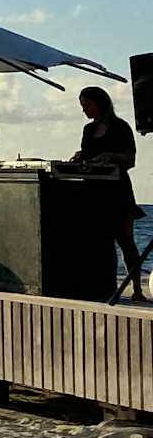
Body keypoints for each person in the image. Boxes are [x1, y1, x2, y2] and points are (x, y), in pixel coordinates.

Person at [70, 85, 144, 302]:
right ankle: (103, 286)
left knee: (126, 241)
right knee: (99, 243)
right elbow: (87, 156)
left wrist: (110, 156)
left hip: (118, 191)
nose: (84, 110)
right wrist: (80, 156)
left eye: (87, 105)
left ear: (100, 104)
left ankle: (137, 288)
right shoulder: (88, 130)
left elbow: (130, 160)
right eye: (82, 106)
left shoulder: (121, 127)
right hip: (93, 192)